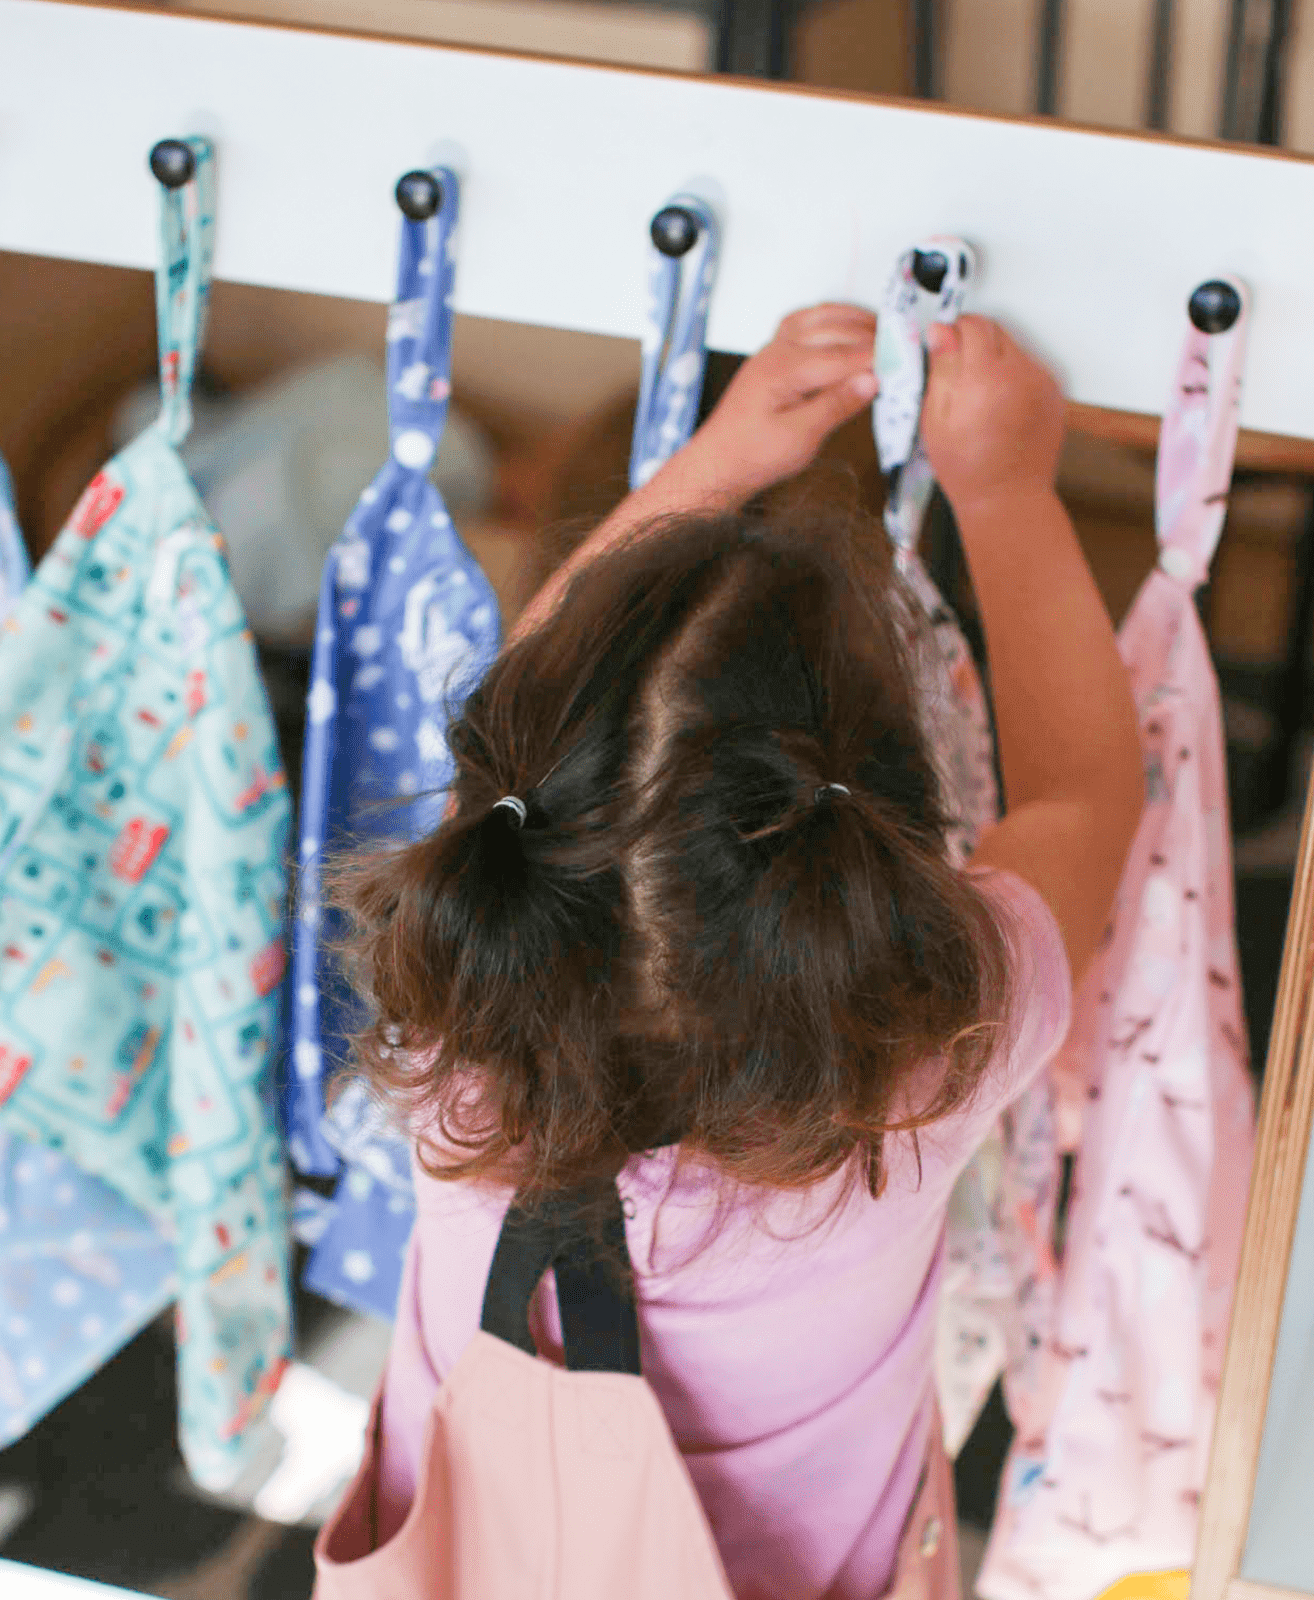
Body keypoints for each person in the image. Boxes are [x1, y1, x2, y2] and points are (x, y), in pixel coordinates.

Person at [330, 307, 1144, 1599]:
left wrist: (709, 464)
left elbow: (508, 759)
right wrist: (1005, 491)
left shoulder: (451, 998)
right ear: (881, 825)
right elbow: (1086, 797)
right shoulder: (919, 1055)